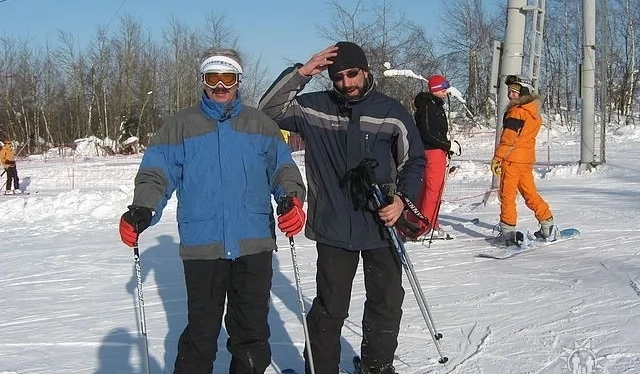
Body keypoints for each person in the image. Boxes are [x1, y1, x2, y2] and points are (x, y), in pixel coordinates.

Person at [118, 48, 306, 374]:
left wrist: (291, 198)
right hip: (202, 245)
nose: (220, 86)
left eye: (227, 77)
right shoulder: (180, 126)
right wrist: (142, 208)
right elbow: (156, 174)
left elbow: (282, 169)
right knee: (201, 332)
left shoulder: (259, 124)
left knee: (251, 332)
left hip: (253, 242)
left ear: (238, 80)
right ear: (203, 80)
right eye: (212, 78)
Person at [259, 41, 425, 374]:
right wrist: (303, 72)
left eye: (352, 74)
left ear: (366, 70)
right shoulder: (313, 107)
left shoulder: (391, 111)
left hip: (382, 223)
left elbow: (415, 161)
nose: (346, 82)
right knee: (329, 309)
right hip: (334, 225)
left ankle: (376, 366)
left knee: (387, 302)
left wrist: (401, 200)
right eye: (338, 77)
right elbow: (268, 109)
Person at [491, 74, 555, 245]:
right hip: (525, 159)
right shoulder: (533, 111)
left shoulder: (516, 111)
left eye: (514, 92)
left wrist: (497, 158)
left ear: (523, 92)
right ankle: (547, 222)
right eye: (509, 91)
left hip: (512, 160)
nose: (510, 95)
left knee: (507, 196)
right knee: (529, 193)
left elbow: (508, 139)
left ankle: (507, 234)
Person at [409, 75, 461, 239]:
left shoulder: (433, 105)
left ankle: (416, 223)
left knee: (427, 189)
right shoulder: (428, 107)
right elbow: (428, 134)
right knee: (433, 190)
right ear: (436, 89)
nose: (446, 90)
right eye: (443, 87)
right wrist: (447, 145)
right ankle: (426, 226)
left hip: (434, 151)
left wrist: (448, 146)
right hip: (432, 152)